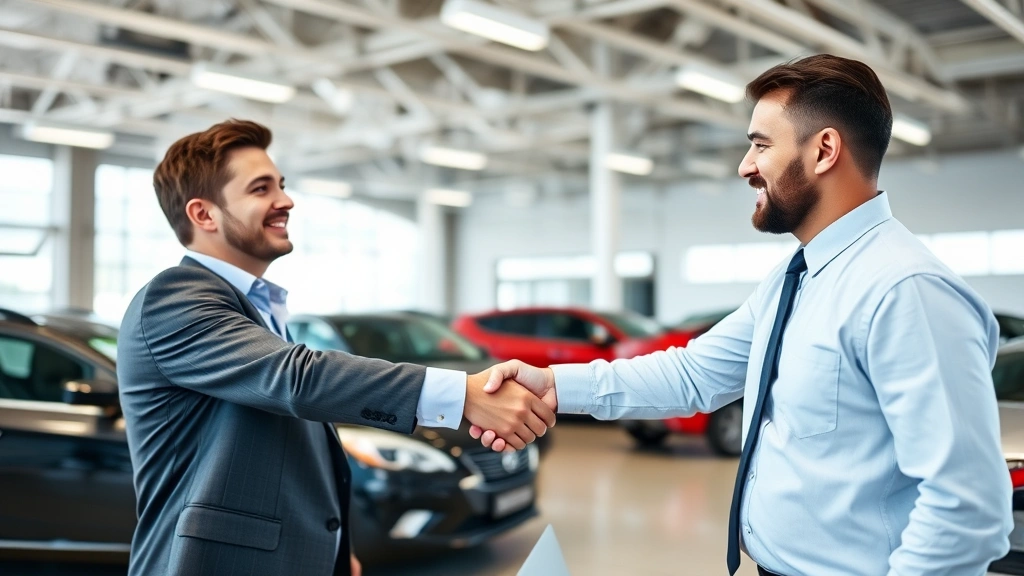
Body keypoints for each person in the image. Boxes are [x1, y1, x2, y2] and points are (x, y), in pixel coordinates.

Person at [472, 54, 1012, 575]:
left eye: (760, 145)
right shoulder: (794, 277)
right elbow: (693, 374)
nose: (745, 166)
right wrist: (553, 385)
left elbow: (966, 506)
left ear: (824, 150)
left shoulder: (906, 292)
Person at [117, 119, 555, 576]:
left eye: (281, 185)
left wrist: (331, 548)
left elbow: (283, 447)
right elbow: (298, 380)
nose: (285, 200)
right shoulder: (173, 298)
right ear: (204, 214)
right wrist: (462, 395)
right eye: (261, 189)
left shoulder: (255, 307)